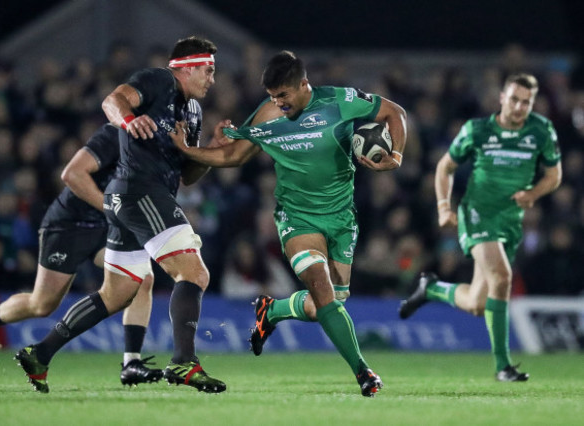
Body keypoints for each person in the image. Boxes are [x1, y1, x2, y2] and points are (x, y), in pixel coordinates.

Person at [171, 50, 407, 397]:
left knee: (327, 304)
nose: (277, 102)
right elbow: (234, 155)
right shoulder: (267, 115)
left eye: (283, 95)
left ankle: (274, 310)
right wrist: (190, 151)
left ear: (303, 84)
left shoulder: (339, 101)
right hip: (296, 219)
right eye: (271, 96)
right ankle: (364, 372)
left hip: (341, 218)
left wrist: (397, 155)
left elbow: (394, 112)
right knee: (322, 289)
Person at [13, 36, 226, 394]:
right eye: (208, 70)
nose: (212, 79)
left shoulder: (194, 112)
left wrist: (208, 154)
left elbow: (187, 176)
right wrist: (127, 120)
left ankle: (40, 353)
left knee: (118, 293)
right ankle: (184, 362)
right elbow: (113, 100)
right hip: (141, 191)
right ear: (187, 67)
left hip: (136, 197)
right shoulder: (159, 80)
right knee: (193, 271)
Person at [0, 123, 163, 387]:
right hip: (69, 224)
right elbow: (72, 175)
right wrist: (113, 209)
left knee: (142, 278)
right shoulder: (115, 134)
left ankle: (131, 363)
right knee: (42, 304)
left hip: (105, 228)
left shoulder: (158, 146)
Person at [399, 73, 562, 381]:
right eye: (514, 99)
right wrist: (444, 207)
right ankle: (503, 366)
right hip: (477, 213)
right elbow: (445, 166)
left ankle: (431, 288)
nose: (519, 107)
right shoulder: (477, 130)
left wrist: (533, 194)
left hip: (510, 220)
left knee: (476, 303)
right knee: (502, 276)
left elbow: (554, 175)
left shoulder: (541, 130)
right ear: (501, 98)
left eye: (526, 102)